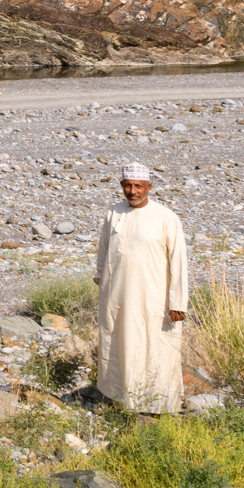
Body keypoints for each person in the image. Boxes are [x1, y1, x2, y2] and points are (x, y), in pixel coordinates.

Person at [93, 161, 188, 414]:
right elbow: (103, 249)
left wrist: (178, 302)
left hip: (152, 297)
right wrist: (100, 275)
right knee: (116, 344)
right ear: (121, 186)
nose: (132, 191)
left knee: (154, 346)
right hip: (117, 296)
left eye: (137, 186)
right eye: (127, 186)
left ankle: (158, 406)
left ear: (149, 186)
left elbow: (178, 261)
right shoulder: (113, 214)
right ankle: (119, 399)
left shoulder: (166, 217)